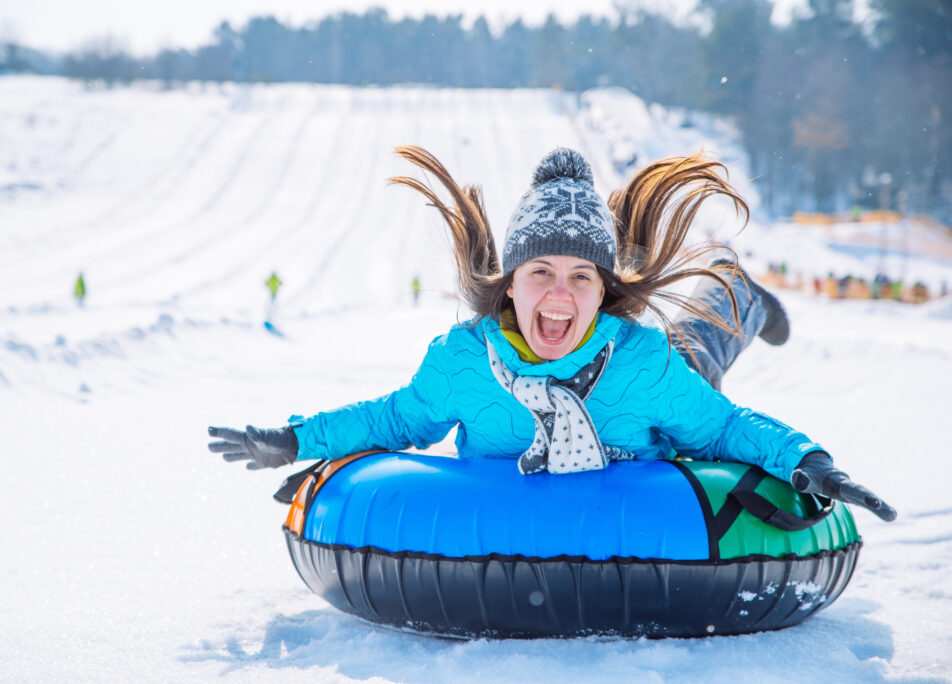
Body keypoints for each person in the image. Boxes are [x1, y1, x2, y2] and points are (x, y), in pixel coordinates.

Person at [209, 147, 895, 522]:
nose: (560, 296)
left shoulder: (643, 363)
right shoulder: (464, 362)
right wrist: (298, 441)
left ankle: (734, 287)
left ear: (604, 293)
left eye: (581, 277)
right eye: (540, 271)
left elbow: (728, 431)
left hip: (658, 390)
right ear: (510, 283)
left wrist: (813, 461)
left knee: (701, 345)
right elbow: (393, 419)